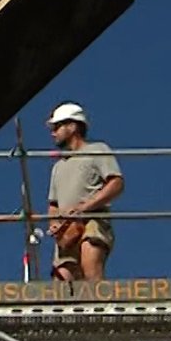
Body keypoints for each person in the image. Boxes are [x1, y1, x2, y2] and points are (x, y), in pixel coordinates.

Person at [45, 102, 123, 282]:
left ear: (72, 126)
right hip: (67, 229)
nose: (53, 133)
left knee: (90, 263)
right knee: (62, 278)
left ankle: (99, 307)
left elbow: (116, 183)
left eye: (57, 127)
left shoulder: (97, 150)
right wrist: (54, 223)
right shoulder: (58, 167)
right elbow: (53, 204)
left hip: (93, 220)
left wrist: (86, 207)